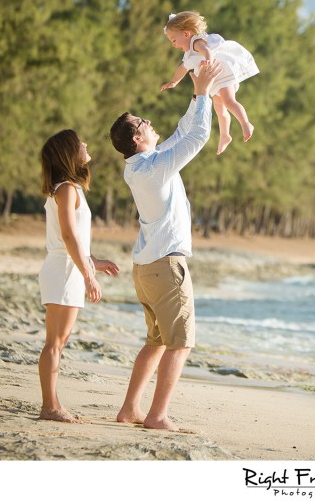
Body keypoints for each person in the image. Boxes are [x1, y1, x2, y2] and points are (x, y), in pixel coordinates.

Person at [110, 60, 222, 430]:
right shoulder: (153, 167)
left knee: (157, 341)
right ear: (137, 139)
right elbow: (196, 139)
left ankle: (130, 409)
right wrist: (205, 94)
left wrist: (196, 93)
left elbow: (181, 131)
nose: (150, 123)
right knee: (180, 343)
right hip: (165, 266)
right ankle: (157, 415)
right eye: (144, 123)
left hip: (147, 268)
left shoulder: (144, 165)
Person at [37, 129, 120, 423]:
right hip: (63, 269)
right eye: (80, 142)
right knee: (55, 342)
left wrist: (94, 262)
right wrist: (88, 276)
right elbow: (68, 237)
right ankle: (50, 407)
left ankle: (53, 403)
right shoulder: (66, 189)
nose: (85, 144)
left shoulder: (71, 188)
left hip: (68, 267)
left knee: (59, 340)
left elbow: (76, 240)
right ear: (68, 153)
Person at [160, 10, 258, 155]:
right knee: (219, 108)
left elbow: (208, 51)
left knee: (229, 101)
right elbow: (183, 68)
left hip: (219, 72)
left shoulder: (196, 42)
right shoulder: (189, 53)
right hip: (213, 80)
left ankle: (245, 123)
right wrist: (173, 82)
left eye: (174, 40)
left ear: (186, 34)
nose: (173, 45)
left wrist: (208, 61)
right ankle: (225, 135)